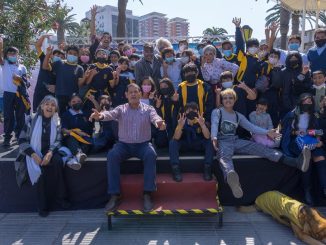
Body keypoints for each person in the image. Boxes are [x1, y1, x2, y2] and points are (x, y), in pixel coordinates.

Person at [211, 89, 311, 199]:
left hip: (236, 140)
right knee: (224, 157)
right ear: (222, 100)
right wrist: (214, 137)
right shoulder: (217, 112)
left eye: (230, 98)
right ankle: (231, 178)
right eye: (225, 98)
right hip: (223, 141)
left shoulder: (238, 115)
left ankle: (296, 162)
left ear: (235, 100)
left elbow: (251, 127)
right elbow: (214, 124)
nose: (228, 100)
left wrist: (267, 132)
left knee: (260, 149)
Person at [89, 83, 166, 212]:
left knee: (151, 154)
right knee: (112, 155)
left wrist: (159, 123)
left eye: (136, 92)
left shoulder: (149, 109)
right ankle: (115, 195)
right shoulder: (120, 109)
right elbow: (110, 114)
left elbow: (155, 118)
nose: (133, 94)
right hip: (124, 145)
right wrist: (101, 116)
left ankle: (147, 193)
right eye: (130, 92)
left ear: (140, 94)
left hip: (143, 144)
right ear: (126, 95)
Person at [17, 95, 69, 217]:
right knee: (38, 170)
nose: (49, 107)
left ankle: (62, 198)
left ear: (55, 109)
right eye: (47, 104)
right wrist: (34, 155)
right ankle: (43, 205)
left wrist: (50, 153)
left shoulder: (57, 121)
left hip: (49, 152)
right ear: (41, 106)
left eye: (53, 105)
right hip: (32, 152)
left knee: (58, 162)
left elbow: (58, 140)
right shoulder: (31, 120)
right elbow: (22, 141)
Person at [281, 93, 326, 204]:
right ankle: (307, 192)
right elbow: (285, 131)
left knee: (320, 157)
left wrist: (319, 140)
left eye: (309, 101)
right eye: (305, 101)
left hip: (312, 141)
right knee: (307, 160)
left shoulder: (315, 115)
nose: (307, 103)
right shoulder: (292, 115)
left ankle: (324, 189)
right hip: (297, 142)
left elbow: (319, 130)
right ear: (300, 102)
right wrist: (295, 132)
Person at [169, 102, 214, 182]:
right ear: (185, 112)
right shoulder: (181, 121)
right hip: (185, 144)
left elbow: (207, 136)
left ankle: (207, 168)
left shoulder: (201, 121)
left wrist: (202, 125)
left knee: (209, 142)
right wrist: (180, 126)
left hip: (197, 144)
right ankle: (175, 169)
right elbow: (176, 137)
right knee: (172, 143)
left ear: (197, 111)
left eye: (194, 110)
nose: (191, 112)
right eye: (188, 110)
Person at [0, 37, 30, 146]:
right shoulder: (4, 64)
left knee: (20, 116)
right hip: (8, 94)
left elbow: (26, 82)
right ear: (7, 55)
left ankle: (19, 136)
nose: (12, 55)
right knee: (8, 116)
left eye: (14, 53)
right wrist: (1, 44)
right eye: (10, 53)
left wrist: (20, 79)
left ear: (18, 54)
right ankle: (7, 138)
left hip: (20, 94)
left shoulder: (22, 67)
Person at [42, 45, 84, 115]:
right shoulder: (59, 63)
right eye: (70, 53)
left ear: (78, 55)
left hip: (73, 97)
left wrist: (85, 77)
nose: (72, 55)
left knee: (73, 115)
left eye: (75, 54)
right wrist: (48, 54)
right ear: (66, 54)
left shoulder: (80, 68)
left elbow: (80, 84)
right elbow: (45, 67)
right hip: (60, 95)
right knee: (61, 115)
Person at [33, 34, 65, 112]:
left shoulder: (62, 67)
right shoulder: (45, 59)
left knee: (50, 117)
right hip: (39, 93)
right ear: (51, 55)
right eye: (57, 55)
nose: (59, 57)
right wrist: (43, 36)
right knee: (37, 115)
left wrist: (56, 87)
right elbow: (37, 46)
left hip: (51, 96)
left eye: (61, 57)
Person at [61, 94, 93, 166]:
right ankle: (78, 154)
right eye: (74, 101)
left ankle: (73, 160)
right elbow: (63, 130)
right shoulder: (66, 114)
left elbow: (99, 111)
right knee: (71, 139)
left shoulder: (85, 113)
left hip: (84, 138)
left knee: (88, 144)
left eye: (78, 101)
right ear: (69, 103)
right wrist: (75, 132)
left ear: (82, 102)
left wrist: (93, 100)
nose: (76, 103)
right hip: (71, 137)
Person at [279, 52, 312, 118]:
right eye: (291, 59)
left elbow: (308, 85)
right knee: (285, 122)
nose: (293, 60)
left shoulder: (305, 71)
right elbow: (279, 86)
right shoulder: (283, 71)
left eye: (295, 58)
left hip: (299, 100)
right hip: (284, 101)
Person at [154, 78, 179, 148]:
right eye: (161, 87)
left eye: (165, 86)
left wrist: (176, 102)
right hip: (162, 125)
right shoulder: (157, 99)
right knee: (160, 143)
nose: (163, 89)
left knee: (172, 142)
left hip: (173, 125)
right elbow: (155, 116)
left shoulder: (175, 97)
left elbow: (179, 112)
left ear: (170, 86)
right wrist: (157, 107)